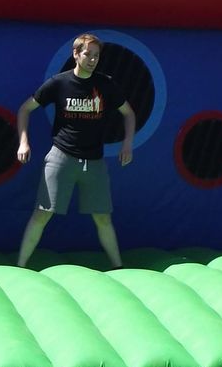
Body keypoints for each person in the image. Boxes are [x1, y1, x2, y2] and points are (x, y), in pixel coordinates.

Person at [16, 34, 135, 269]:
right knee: (42, 214)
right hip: (61, 157)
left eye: (96, 56)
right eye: (87, 54)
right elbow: (25, 109)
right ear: (76, 54)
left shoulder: (105, 85)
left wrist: (127, 143)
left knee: (102, 217)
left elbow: (128, 113)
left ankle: (118, 267)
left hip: (94, 161)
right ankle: (20, 266)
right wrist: (23, 141)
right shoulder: (59, 83)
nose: (92, 60)